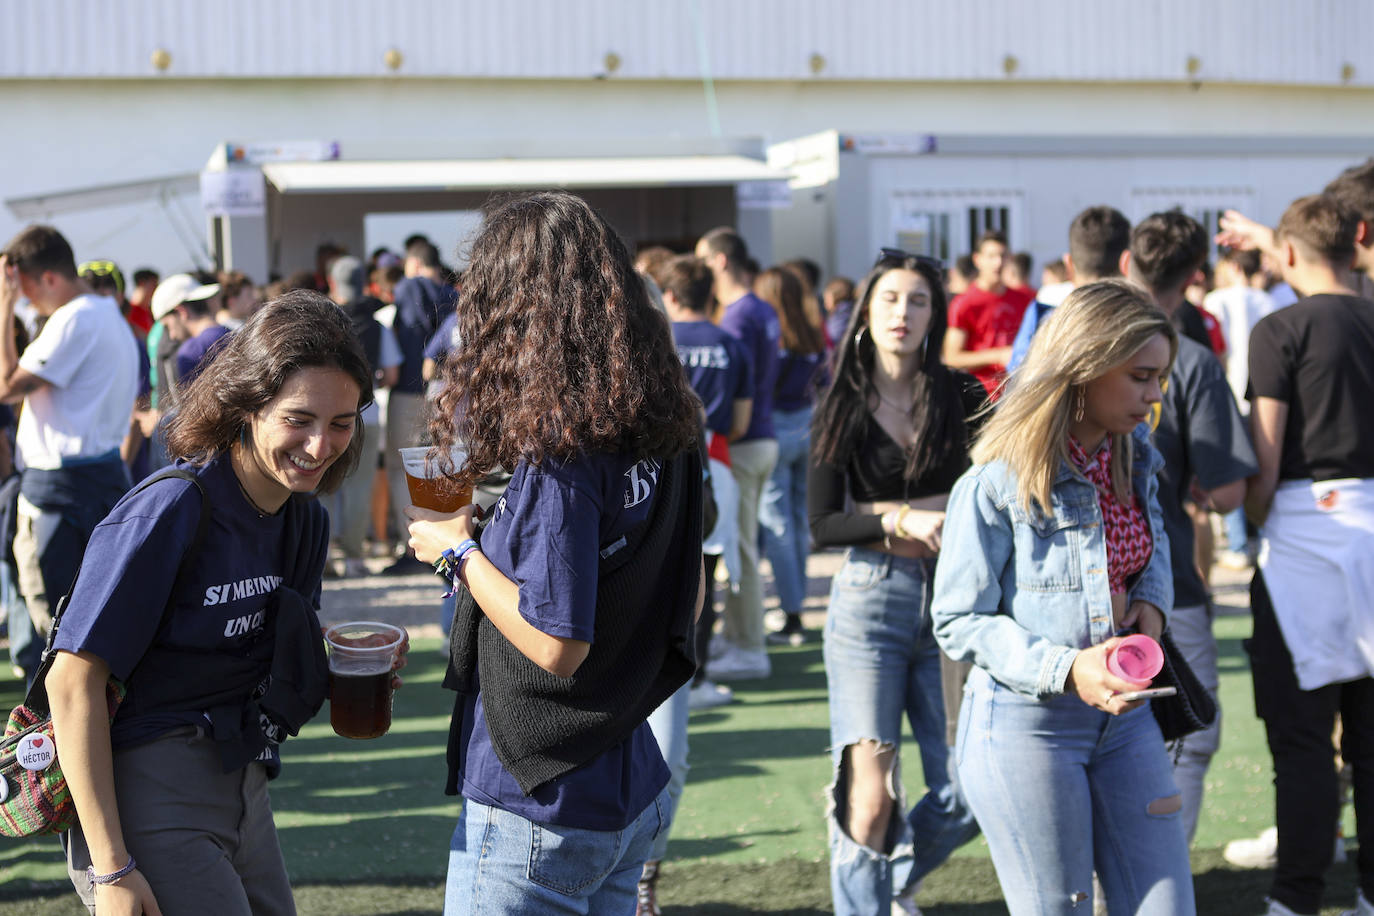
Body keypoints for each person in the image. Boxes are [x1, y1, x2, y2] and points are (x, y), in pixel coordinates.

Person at [45, 290, 403, 916]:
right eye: (299, 419)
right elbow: (71, 681)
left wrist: (335, 663)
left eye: (341, 424)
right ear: (246, 406)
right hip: (147, 779)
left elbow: (250, 652)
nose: (321, 446)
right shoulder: (173, 509)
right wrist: (111, 869)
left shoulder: (304, 520)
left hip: (244, 777)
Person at [405, 191, 704, 915]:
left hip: (543, 799)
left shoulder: (565, 453)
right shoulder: (667, 424)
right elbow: (683, 591)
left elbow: (556, 642)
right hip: (627, 776)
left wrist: (459, 553)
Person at [932, 280, 1194, 915]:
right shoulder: (995, 484)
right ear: (1085, 365)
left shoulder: (1138, 459)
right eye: (1140, 376)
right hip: (1026, 728)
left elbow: (1155, 548)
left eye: (1159, 377)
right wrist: (1067, 667)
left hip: (1127, 721)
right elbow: (958, 619)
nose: (1155, 395)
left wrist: (1152, 607)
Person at [809, 250, 984, 916]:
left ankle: (893, 880)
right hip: (869, 605)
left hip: (957, 601)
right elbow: (824, 526)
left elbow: (994, 491)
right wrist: (901, 516)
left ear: (935, 314)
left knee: (967, 788)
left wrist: (894, 511)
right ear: (865, 312)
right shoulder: (841, 401)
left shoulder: (962, 395)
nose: (901, 314)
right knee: (870, 794)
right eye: (888, 299)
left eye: (917, 301)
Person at [1244, 194, 1374, 916]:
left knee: (1301, 739)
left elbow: (1262, 469)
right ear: (1357, 243)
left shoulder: (1279, 328)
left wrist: (1258, 517)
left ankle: (1294, 898)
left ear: (1288, 255)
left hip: (1304, 532)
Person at [1128, 210, 1256, 844]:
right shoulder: (1193, 363)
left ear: (1128, 264)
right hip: (1161, 578)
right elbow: (1229, 489)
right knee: (1188, 734)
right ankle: (1151, 888)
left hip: (1066, 582)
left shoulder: (1062, 343)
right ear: (1194, 274)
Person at [0, 227, 140, 656]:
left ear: (48, 278)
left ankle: (56, 720)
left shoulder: (75, 317)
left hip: (61, 495)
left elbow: (6, 385)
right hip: (100, 482)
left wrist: (3, 307)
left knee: (54, 636)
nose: (24, 300)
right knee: (92, 626)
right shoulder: (108, 316)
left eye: (22, 289)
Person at [660, 253, 751, 710]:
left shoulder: (658, 339)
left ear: (670, 295)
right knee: (707, 573)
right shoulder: (730, 342)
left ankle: (671, 678)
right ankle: (698, 676)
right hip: (713, 459)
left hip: (664, 463)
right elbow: (740, 419)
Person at [696, 226, 779, 681]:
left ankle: (749, 646)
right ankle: (741, 638)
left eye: (702, 259)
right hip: (760, 440)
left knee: (739, 550)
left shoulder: (736, 317)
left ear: (720, 261)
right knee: (742, 544)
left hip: (742, 446)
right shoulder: (762, 308)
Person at [755, 266, 826, 646]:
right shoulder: (812, 332)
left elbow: (762, 387)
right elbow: (823, 382)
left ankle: (792, 612)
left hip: (778, 430)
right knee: (797, 522)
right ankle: (795, 606)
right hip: (807, 425)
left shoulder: (773, 336)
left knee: (778, 523)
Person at [384, 238, 457, 573]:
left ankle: (414, 548)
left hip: (411, 390)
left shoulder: (411, 286)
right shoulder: (454, 296)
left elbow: (413, 331)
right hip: (449, 394)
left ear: (413, 264)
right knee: (441, 467)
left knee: (403, 469)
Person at [327, 255, 401, 577]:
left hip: (327, 417)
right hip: (367, 416)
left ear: (333, 284)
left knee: (325, 485)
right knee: (359, 487)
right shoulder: (378, 326)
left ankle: (325, 556)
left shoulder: (327, 323)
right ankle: (356, 558)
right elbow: (393, 374)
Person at [1206, 247, 1278, 567]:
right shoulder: (1268, 300)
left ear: (1234, 267)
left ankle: (1237, 544)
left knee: (1231, 469)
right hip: (1264, 395)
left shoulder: (1216, 300)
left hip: (1227, 394)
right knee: (1264, 466)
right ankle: (1261, 539)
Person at [1008, 205, 1130, 373]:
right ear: (1126, 263)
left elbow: (1016, 375)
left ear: (1068, 264)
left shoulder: (1043, 312)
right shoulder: (1144, 325)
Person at [943, 229, 1033, 396]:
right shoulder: (963, 303)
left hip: (1019, 394)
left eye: (1003, 256)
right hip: (980, 396)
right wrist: (997, 356)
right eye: (991, 256)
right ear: (977, 260)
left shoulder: (1025, 299)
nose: (998, 262)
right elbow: (952, 358)